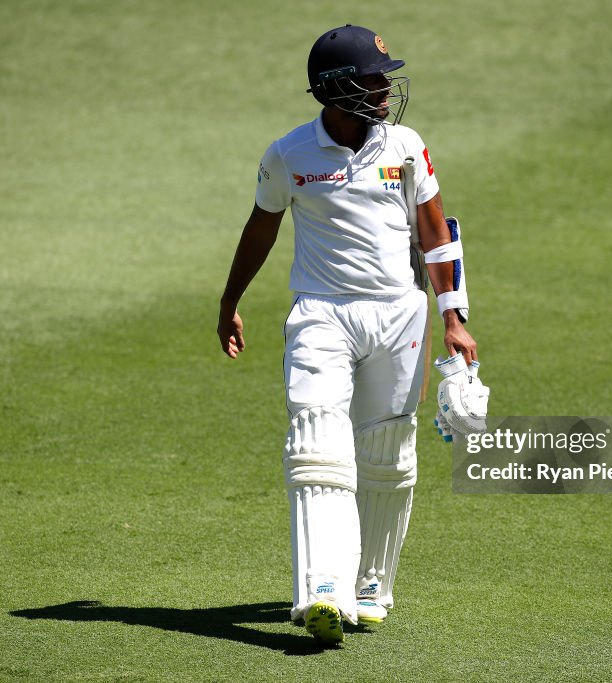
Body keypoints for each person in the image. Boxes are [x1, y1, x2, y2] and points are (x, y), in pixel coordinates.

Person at [217, 24, 478, 645]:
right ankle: (321, 593)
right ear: (334, 89)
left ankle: (371, 587)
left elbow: (437, 232)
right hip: (320, 314)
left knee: (386, 453)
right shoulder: (289, 154)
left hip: (399, 315)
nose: (386, 88)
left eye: (386, 76)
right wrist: (230, 300)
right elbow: (261, 228)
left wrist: (454, 316)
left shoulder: (406, 146)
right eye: (372, 78)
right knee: (317, 443)